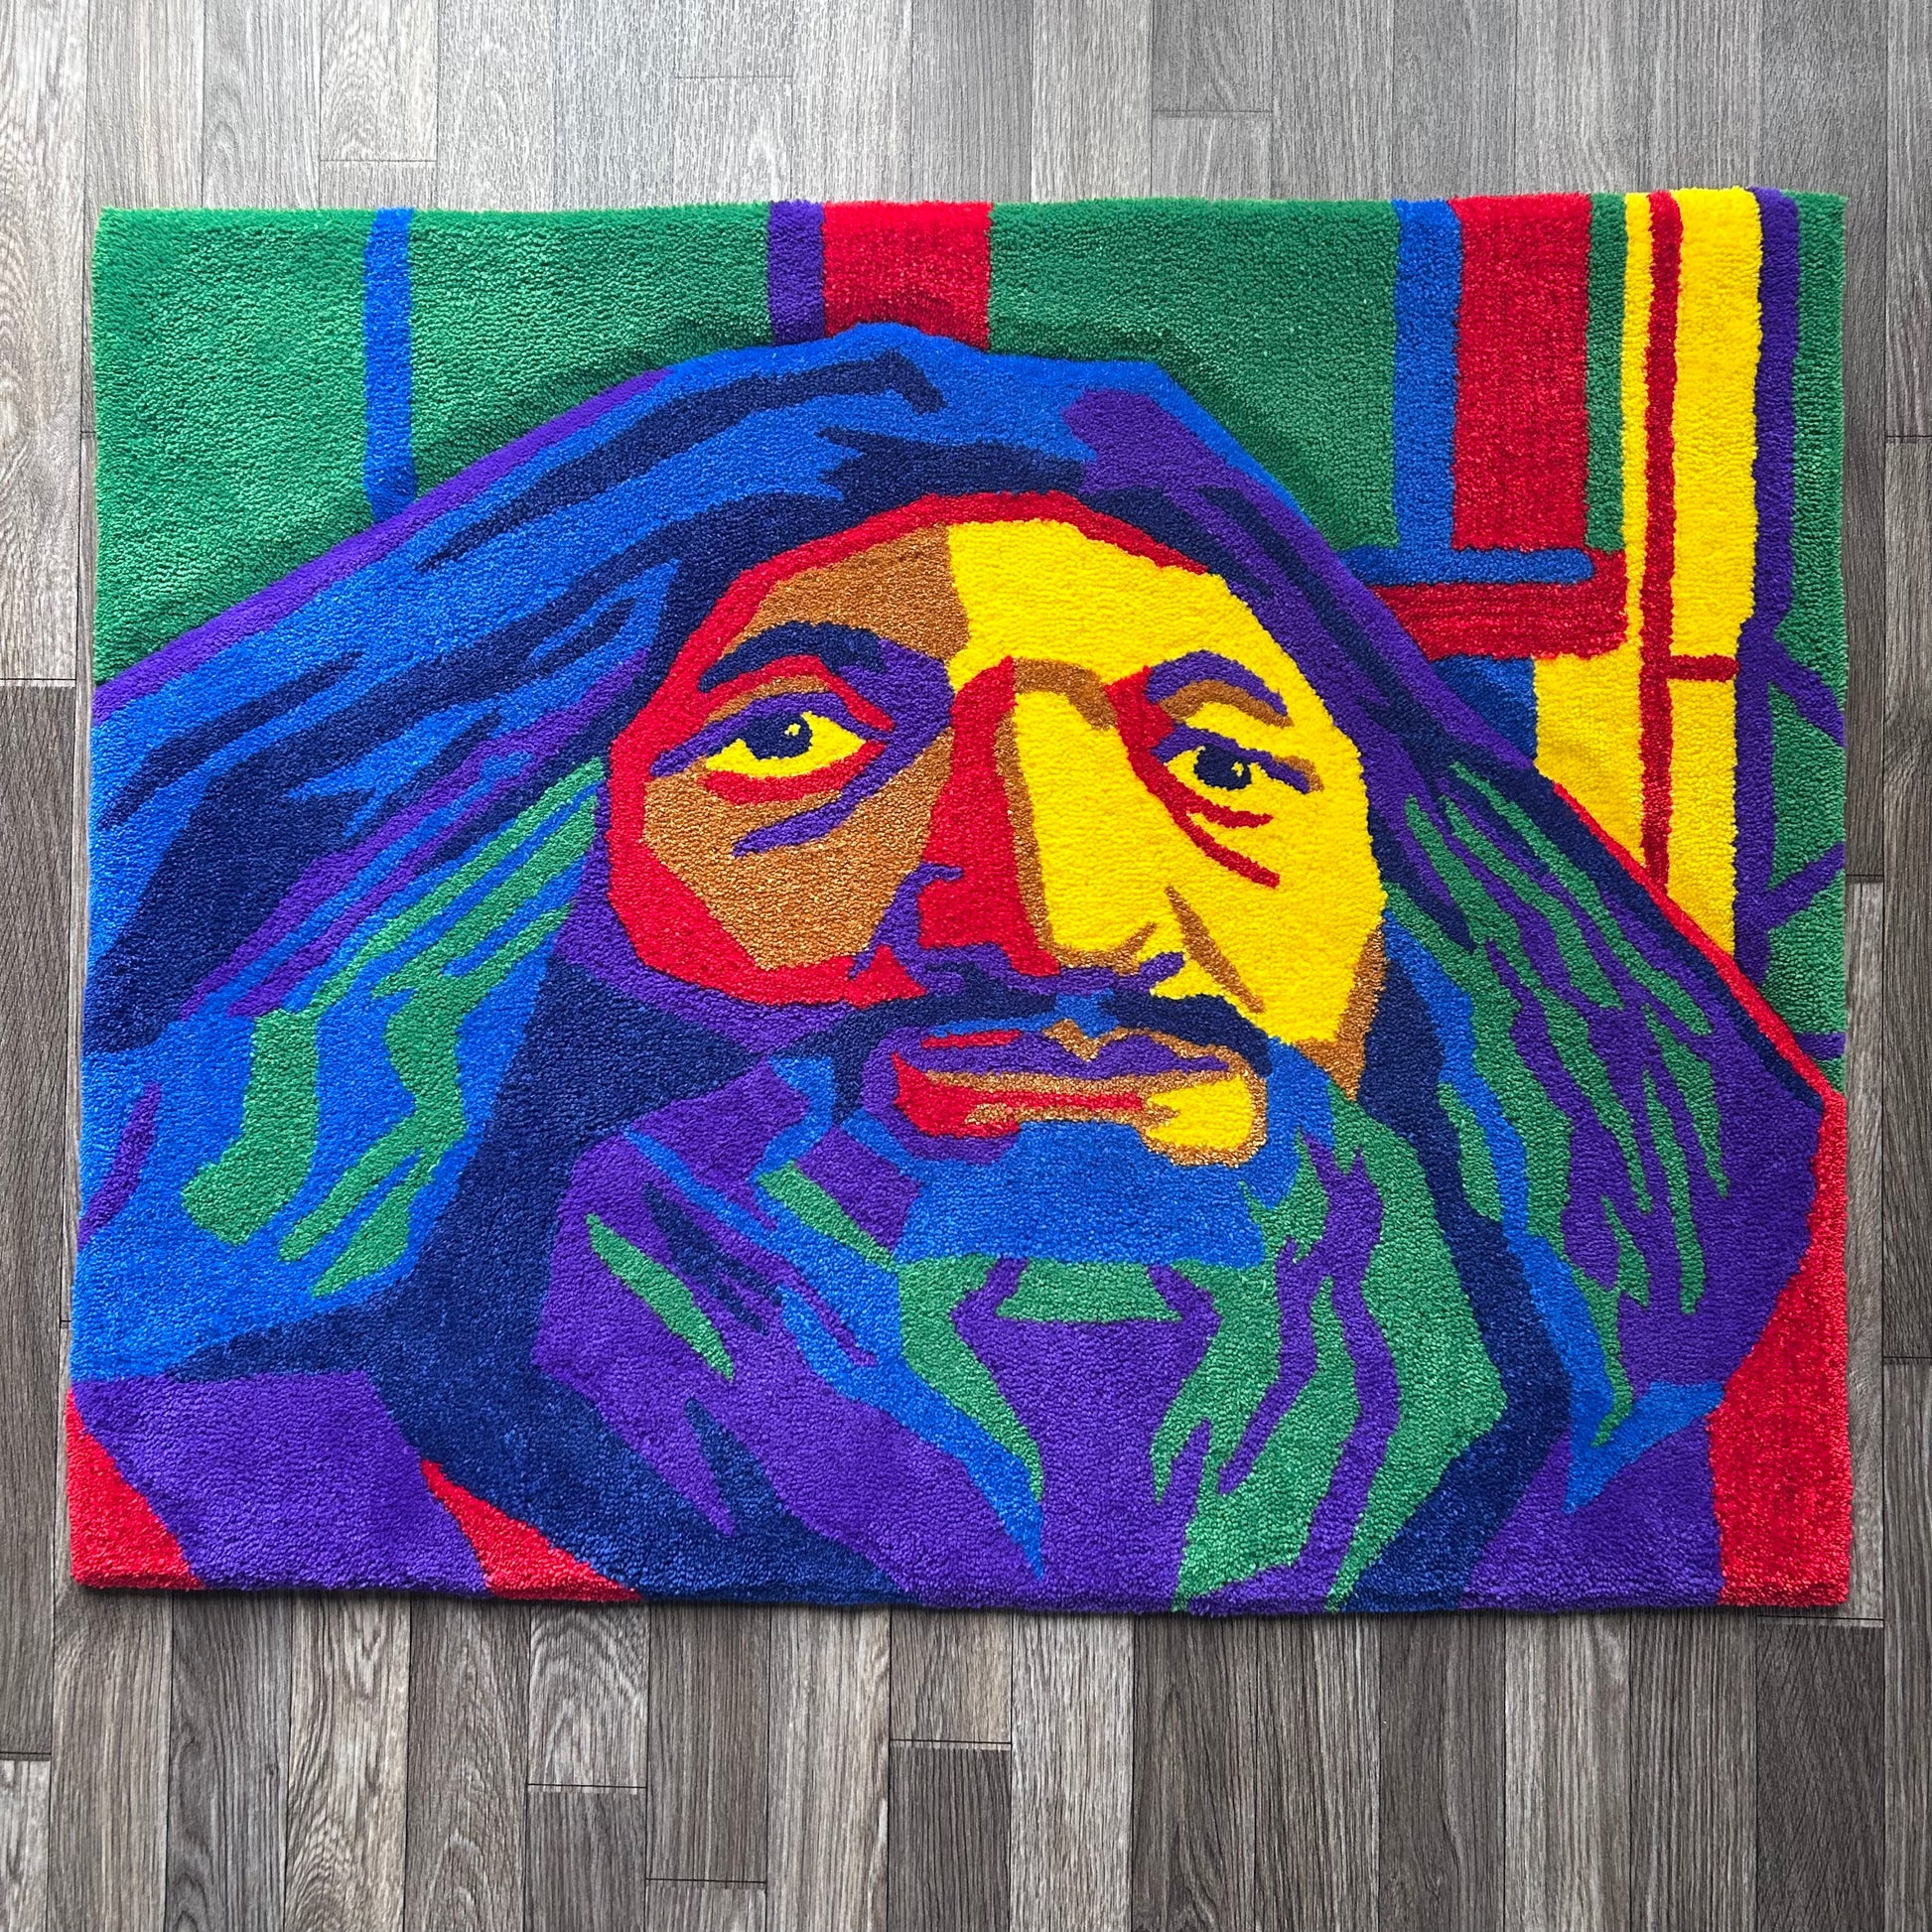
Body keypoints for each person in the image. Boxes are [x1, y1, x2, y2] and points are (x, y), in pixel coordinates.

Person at [70, 326, 1835, 1609]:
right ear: (514, 881)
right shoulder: (178, 1467)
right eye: (794, 744)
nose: (1065, 917)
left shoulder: (1681, 1452)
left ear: (1398, 921)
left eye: (1221, 765)